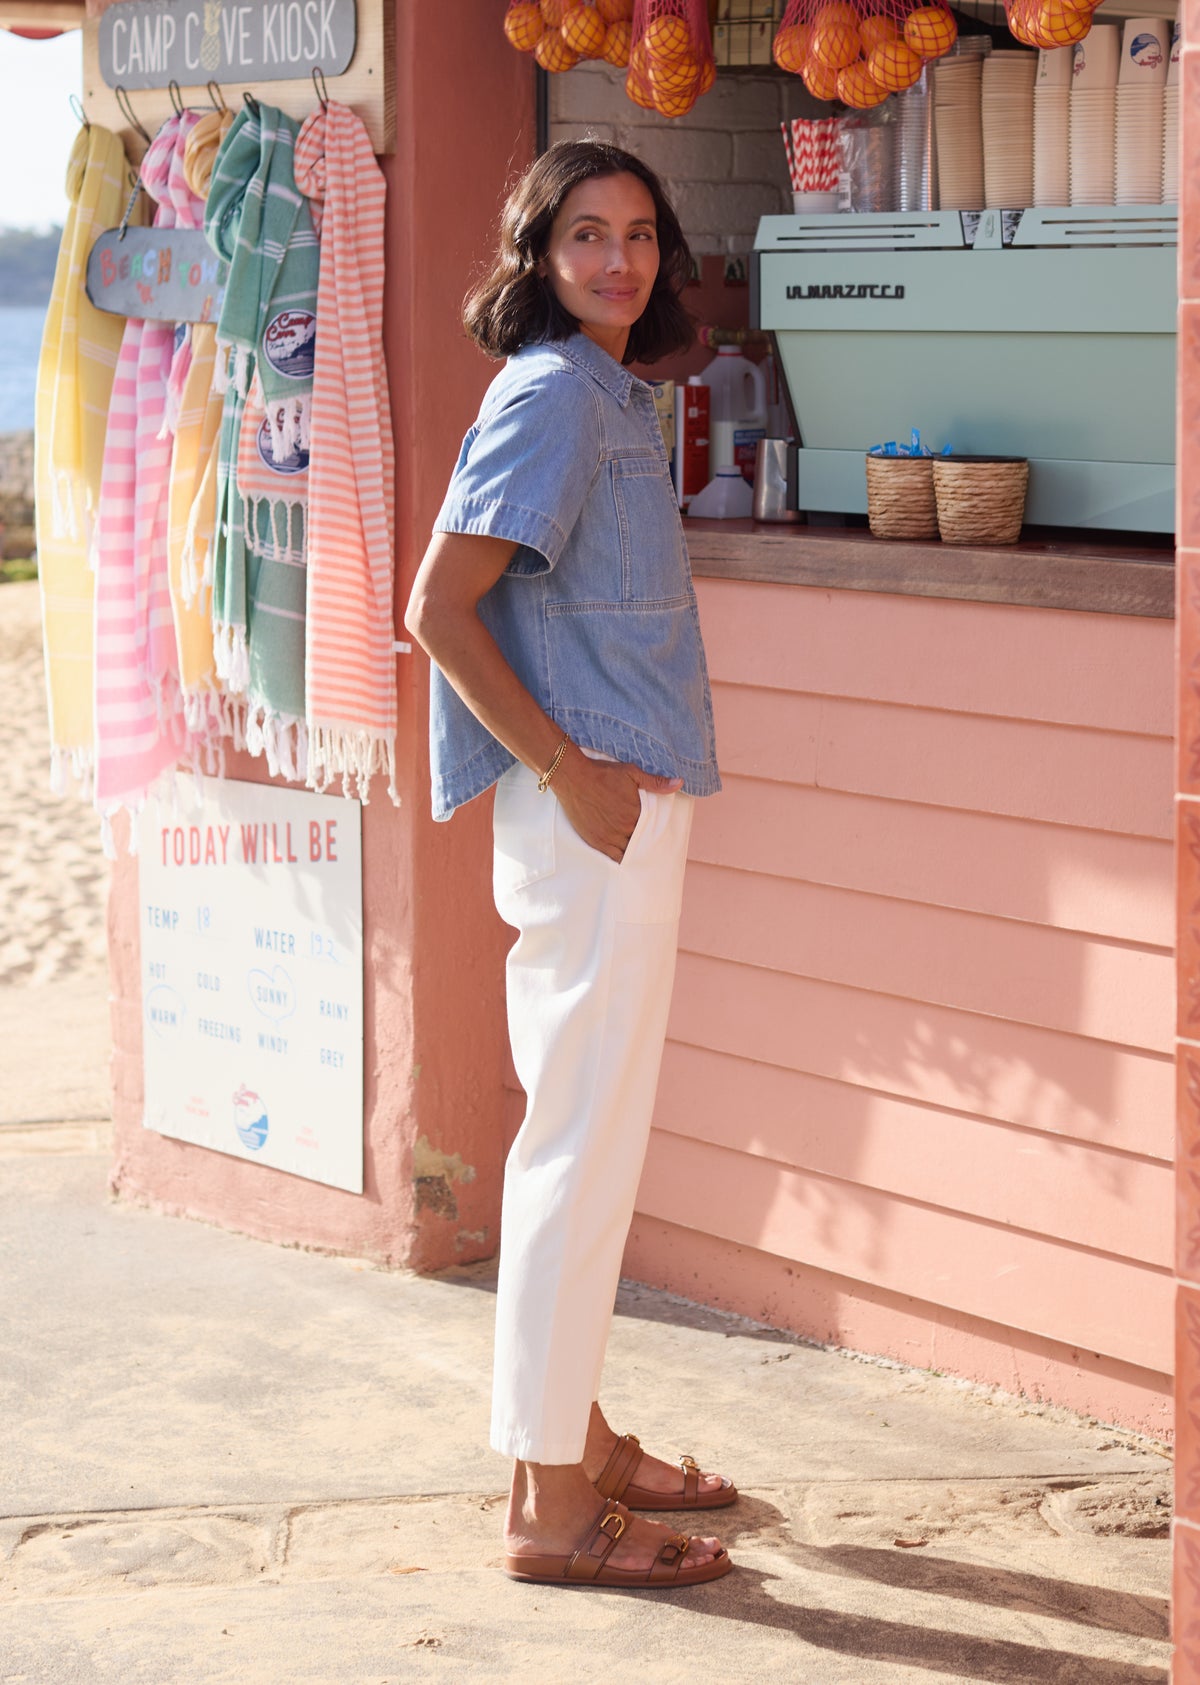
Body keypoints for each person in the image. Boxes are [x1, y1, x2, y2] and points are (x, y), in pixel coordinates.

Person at [405, 140, 733, 1590]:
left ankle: (577, 1432)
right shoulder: (553, 395)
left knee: (590, 1141)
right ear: (536, 257)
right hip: (592, 816)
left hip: (611, 808)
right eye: (586, 236)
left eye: (641, 235)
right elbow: (440, 608)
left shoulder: (605, 392)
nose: (619, 261)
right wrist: (570, 775)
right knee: (576, 1151)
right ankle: (549, 1503)